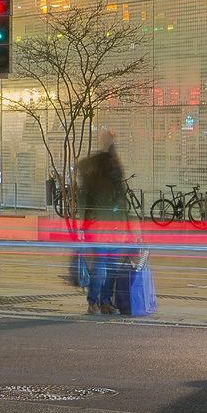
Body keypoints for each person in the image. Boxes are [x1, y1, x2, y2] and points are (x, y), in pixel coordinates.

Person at [76, 129, 130, 314]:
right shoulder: (99, 178)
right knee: (103, 266)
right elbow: (87, 203)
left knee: (108, 267)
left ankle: (102, 303)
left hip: (110, 227)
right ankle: (96, 302)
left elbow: (122, 203)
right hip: (101, 227)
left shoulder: (111, 180)